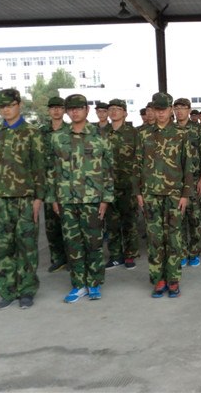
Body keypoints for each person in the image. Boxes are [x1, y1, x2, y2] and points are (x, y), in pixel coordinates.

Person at [46, 94, 114, 302]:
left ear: (87, 110)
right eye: (71, 109)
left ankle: (94, 283)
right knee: (72, 244)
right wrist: (53, 198)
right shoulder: (57, 137)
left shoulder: (99, 136)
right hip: (66, 200)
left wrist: (106, 199)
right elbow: (51, 170)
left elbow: (108, 169)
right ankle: (78, 285)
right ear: (67, 111)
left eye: (79, 108)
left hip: (92, 199)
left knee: (93, 243)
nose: (74, 112)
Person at [0, 89, 45, 310]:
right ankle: (7, 290)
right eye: (2, 106)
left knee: (27, 245)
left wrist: (38, 198)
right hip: (0, 199)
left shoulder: (32, 133)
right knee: (2, 247)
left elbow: (39, 167)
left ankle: (26, 290)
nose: (6, 110)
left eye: (10, 105)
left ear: (19, 105)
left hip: (25, 199)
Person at [134, 92, 193, 298]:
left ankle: (173, 279)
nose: (160, 113)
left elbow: (188, 166)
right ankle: (158, 279)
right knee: (154, 239)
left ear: (170, 110)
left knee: (174, 238)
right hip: (150, 194)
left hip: (174, 194)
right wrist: (138, 192)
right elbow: (137, 164)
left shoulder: (182, 134)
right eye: (157, 110)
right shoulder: (143, 134)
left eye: (164, 109)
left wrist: (185, 194)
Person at [104, 99, 140, 270]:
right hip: (108, 186)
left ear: (125, 113)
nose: (114, 112)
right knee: (111, 224)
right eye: (111, 109)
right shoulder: (101, 133)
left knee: (129, 222)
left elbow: (140, 159)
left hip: (128, 186)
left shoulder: (133, 133)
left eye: (118, 109)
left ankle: (130, 255)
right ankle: (115, 255)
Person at [173, 98, 201, 267]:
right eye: (177, 108)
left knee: (195, 218)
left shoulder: (198, 129)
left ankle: (194, 252)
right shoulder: (170, 129)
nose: (179, 111)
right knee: (178, 219)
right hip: (174, 180)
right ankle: (181, 252)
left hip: (194, 180)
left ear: (189, 110)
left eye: (183, 108)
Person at [39, 96, 68, 273]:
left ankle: (72, 257)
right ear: (48, 110)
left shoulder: (70, 130)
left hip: (67, 182)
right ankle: (57, 258)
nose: (56, 111)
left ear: (64, 110)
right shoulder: (41, 132)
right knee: (51, 224)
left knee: (69, 223)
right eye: (53, 108)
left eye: (59, 107)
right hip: (48, 184)